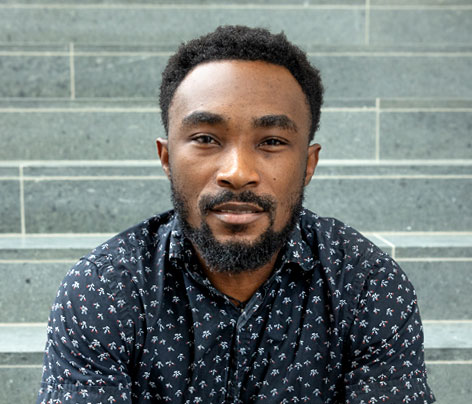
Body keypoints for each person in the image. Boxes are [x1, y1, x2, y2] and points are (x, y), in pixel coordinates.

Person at [37, 26, 435, 404]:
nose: (238, 172)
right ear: (167, 158)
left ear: (308, 164)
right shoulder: (105, 290)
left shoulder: (364, 285)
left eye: (272, 141)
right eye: (206, 139)